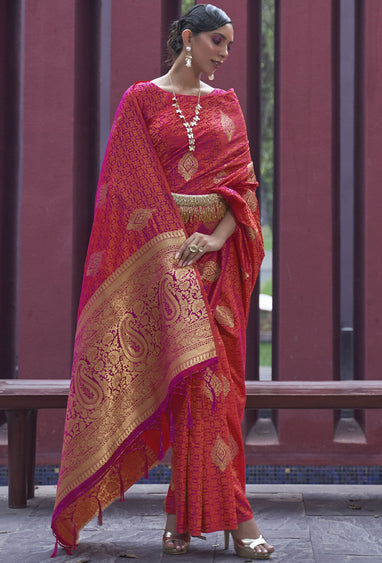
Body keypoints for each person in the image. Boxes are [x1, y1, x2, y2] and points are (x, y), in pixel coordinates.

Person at [51, 3, 274, 560]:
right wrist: (173, 244)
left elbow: (245, 189)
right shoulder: (141, 100)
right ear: (187, 39)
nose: (225, 53)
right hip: (163, 260)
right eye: (217, 42)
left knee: (218, 390)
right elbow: (126, 188)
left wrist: (219, 239)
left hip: (215, 266)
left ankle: (213, 514)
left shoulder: (228, 105)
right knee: (186, 387)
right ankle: (203, 515)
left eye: (229, 43)